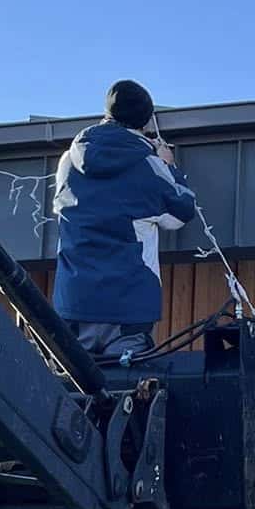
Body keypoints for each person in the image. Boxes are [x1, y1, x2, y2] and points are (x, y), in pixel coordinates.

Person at [52, 79, 198, 362]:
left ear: (107, 113)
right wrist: (168, 166)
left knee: (72, 384)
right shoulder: (147, 164)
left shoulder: (68, 160)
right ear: (145, 121)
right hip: (127, 304)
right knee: (125, 384)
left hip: (74, 301)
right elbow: (181, 212)